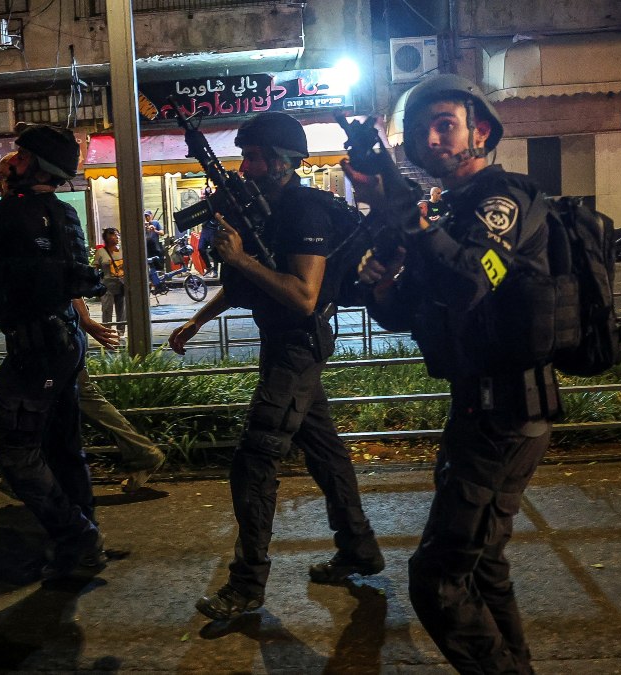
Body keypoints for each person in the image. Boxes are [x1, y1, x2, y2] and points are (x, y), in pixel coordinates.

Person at [344, 74, 560, 674]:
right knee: (484, 566)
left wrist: (409, 221)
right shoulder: (448, 211)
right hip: (482, 410)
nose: (430, 137)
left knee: (437, 581)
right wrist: (380, 284)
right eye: (419, 129)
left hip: (506, 414)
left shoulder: (502, 200)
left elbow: (469, 279)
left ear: (480, 132)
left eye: (445, 124)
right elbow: (409, 306)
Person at [167, 112, 383, 621]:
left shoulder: (304, 212)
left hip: (296, 347)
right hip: (280, 346)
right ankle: (360, 547)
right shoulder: (265, 208)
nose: (246, 166)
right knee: (325, 452)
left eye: (256, 157)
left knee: (254, 460)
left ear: (284, 161)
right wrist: (199, 318)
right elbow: (254, 281)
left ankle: (246, 586)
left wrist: (240, 259)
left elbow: (304, 296)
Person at [0, 124, 110, 581]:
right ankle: (84, 542)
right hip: (67, 341)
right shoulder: (65, 214)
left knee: (16, 450)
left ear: (34, 166)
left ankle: (78, 538)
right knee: (63, 447)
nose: (11, 160)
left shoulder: (6, 215)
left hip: (35, 351)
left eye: (18, 156)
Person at [0, 296, 167, 508]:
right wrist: (84, 320)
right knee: (82, 397)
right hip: (62, 337)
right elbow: (69, 281)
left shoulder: (10, 263)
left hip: (43, 342)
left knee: (23, 408)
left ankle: (17, 484)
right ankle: (143, 453)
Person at [93, 227, 126, 326]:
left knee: (122, 310)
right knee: (107, 310)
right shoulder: (101, 252)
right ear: (107, 238)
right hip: (107, 286)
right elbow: (95, 267)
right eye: (114, 235)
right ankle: (107, 330)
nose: (117, 237)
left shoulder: (122, 251)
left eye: (118, 235)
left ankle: (121, 332)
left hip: (121, 285)